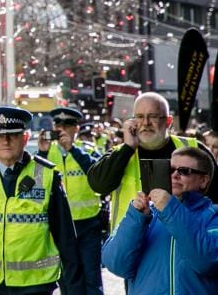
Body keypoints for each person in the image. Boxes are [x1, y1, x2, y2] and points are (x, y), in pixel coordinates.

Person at [0, 106, 84, 295]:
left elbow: (66, 240)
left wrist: (74, 291)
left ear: (24, 138)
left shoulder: (47, 175)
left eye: (13, 135)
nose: (5, 141)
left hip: (33, 287)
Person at [86, 91, 218, 231]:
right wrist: (128, 148)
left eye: (153, 116)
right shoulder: (121, 153)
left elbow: (215, 196)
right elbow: (98, 185)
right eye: (140, 117)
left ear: (168, 121)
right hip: (129, 243)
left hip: (181, 241)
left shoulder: (194, 148)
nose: (146, 123)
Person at [102, 146, 218, 294]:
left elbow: (207, 262)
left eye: (184, 171)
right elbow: (116, 265)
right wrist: (135, 218)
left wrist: (170, 208)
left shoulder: (213, 215)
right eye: (170, 170)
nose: (175, 175)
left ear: (203, 180)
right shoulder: (147, 215)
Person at [39, 107, 103, 295]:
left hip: (88, 224)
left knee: (91, 279)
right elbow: (37, 183)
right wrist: (42, 153)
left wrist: (72, 150)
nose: (62, 128)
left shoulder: (87, 150)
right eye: (58, 124)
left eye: (67, 124)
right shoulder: (47, 154)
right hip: (60, 228)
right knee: (67, 279)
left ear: (76, 128)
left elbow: (97, 174)